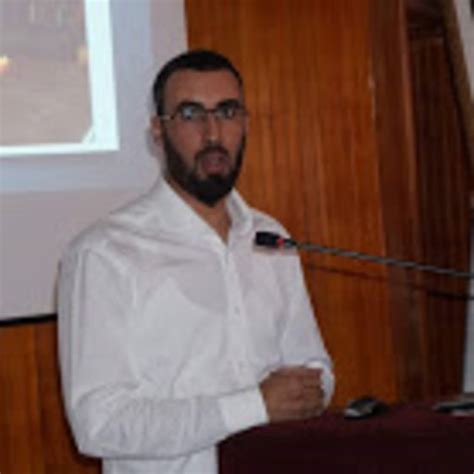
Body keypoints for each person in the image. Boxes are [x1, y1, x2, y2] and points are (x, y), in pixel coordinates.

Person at [58, 49, 334, 474]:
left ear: (245, 123)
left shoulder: (268, 237)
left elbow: (315, 368)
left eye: (227, 112)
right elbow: (99, 424)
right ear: (158, 130)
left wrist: (310, 390)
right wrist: (255, 406)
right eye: (190, 115)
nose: (212, 133)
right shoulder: (105, 253)